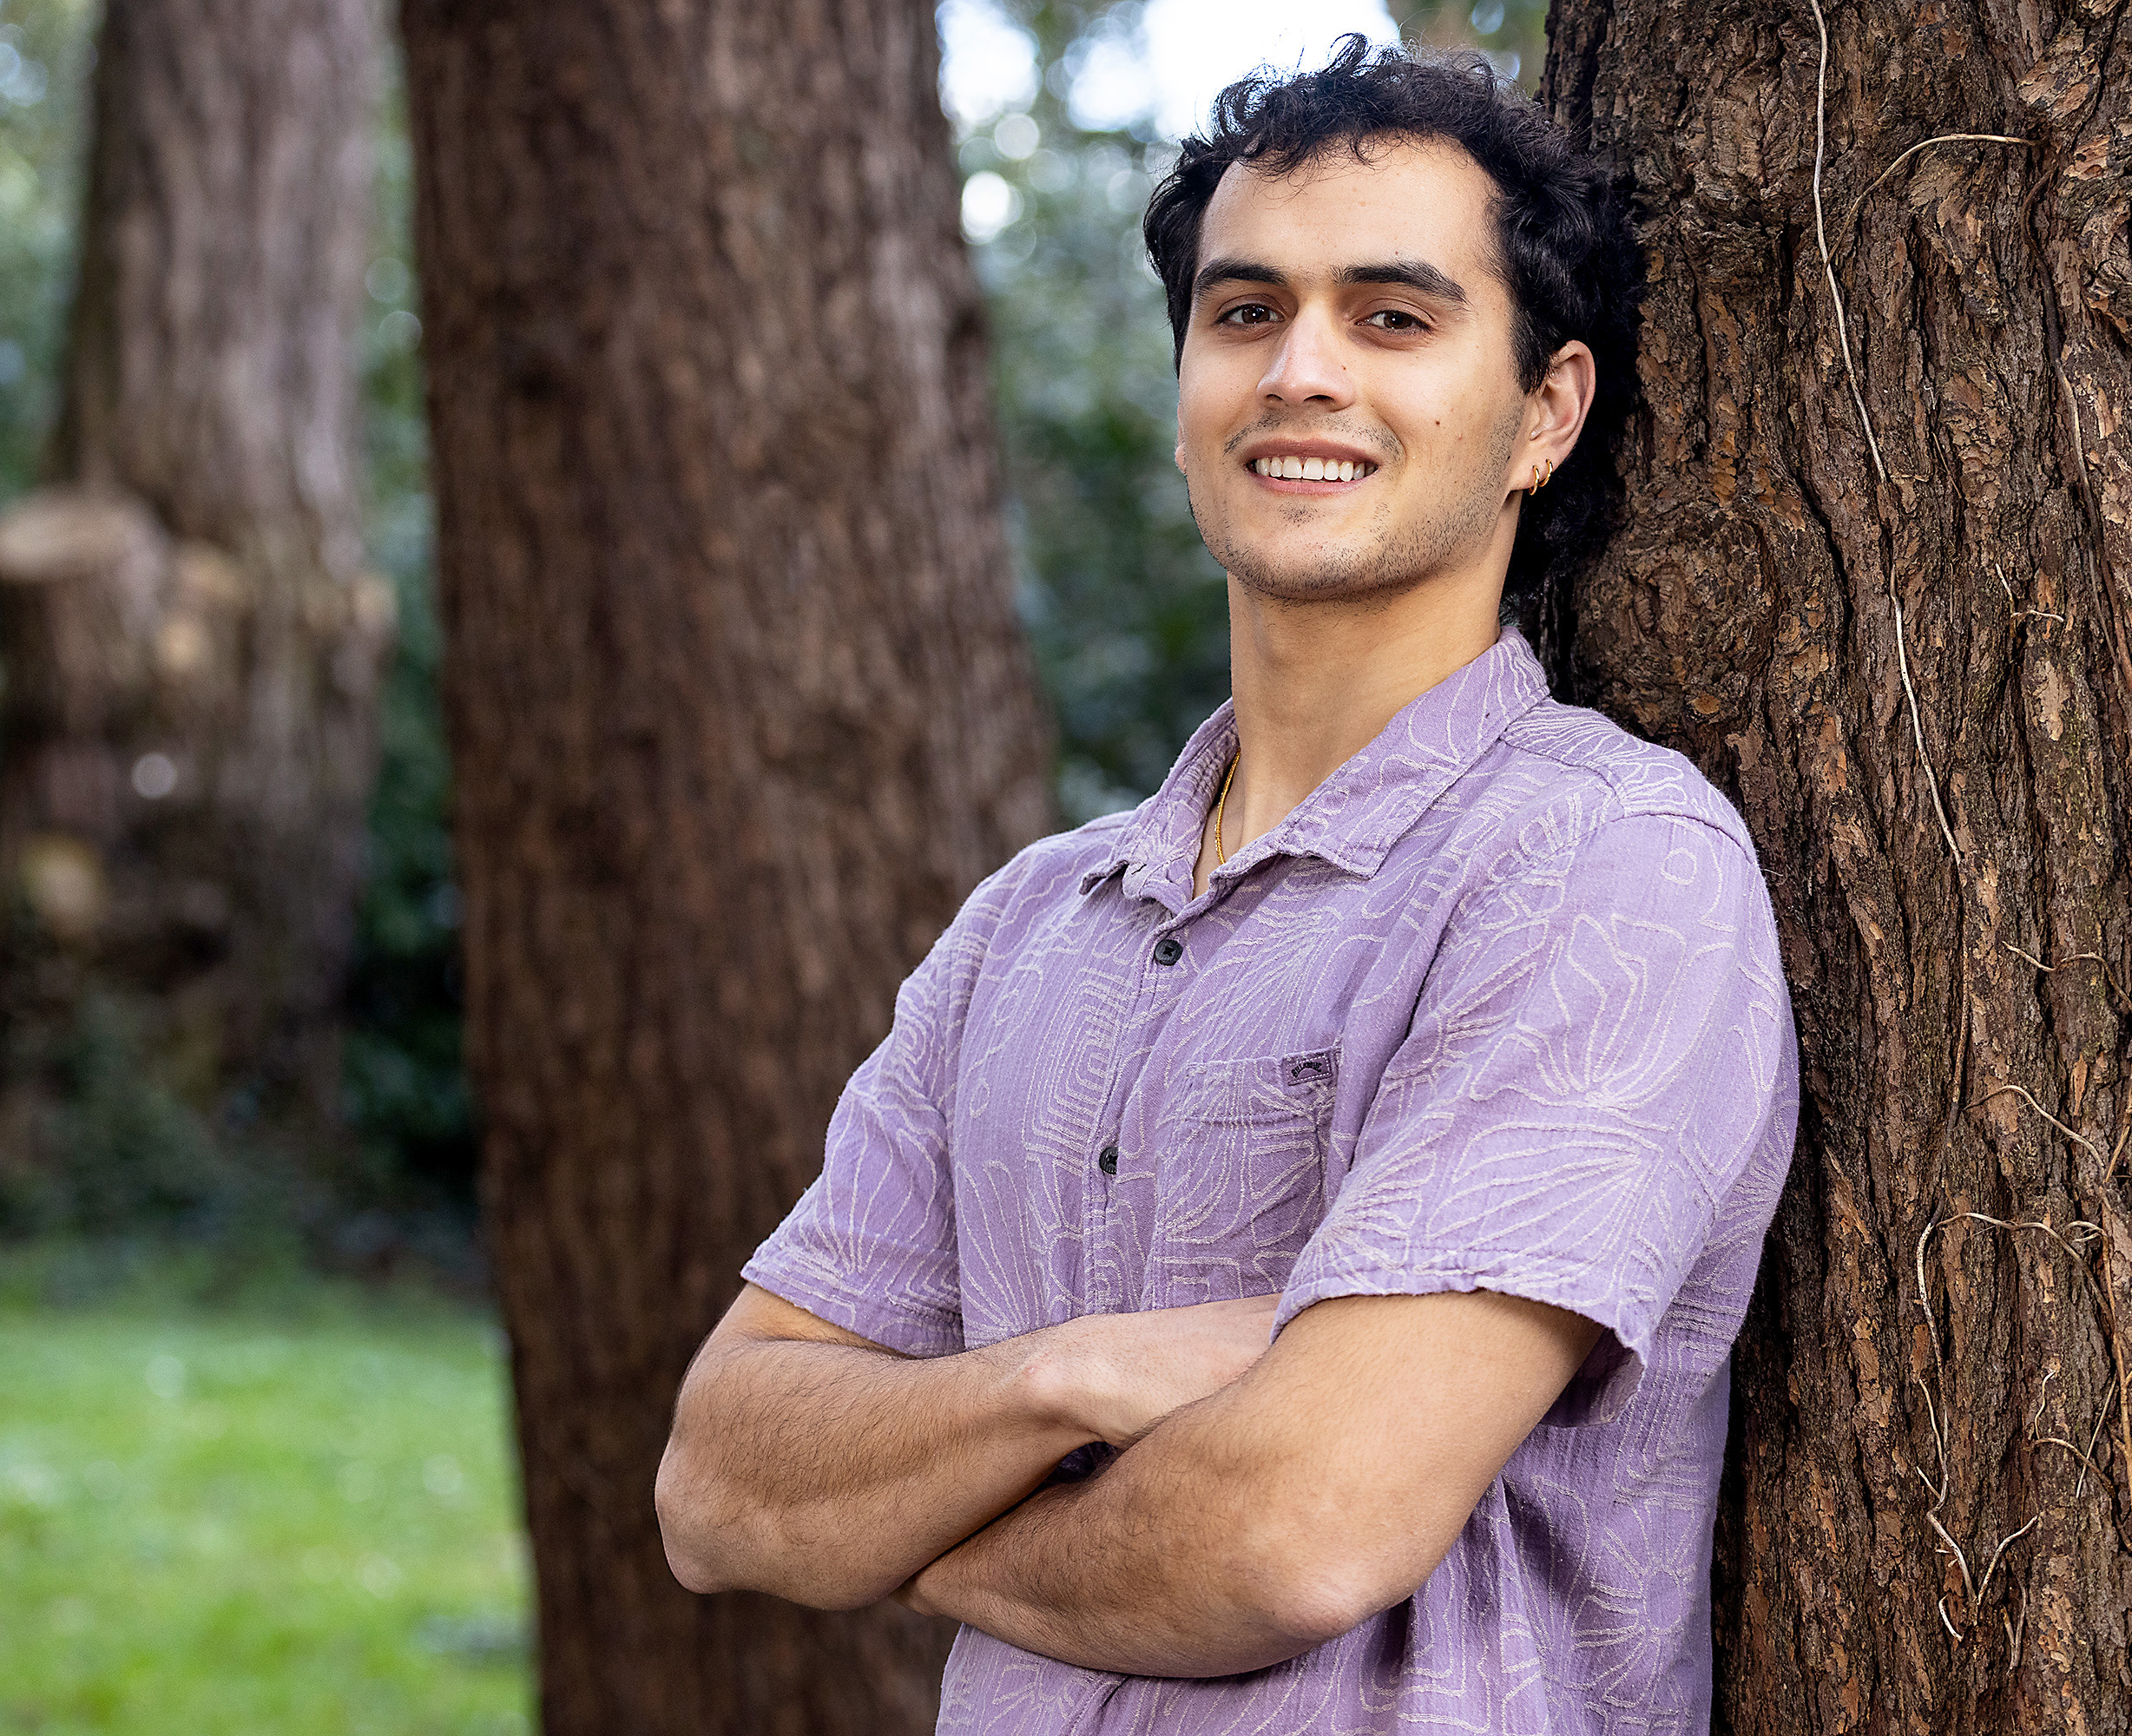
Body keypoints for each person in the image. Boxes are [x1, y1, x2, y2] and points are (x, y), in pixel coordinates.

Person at [655, 36, 1798, 1734]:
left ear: (1543, 413)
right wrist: (1069, 1374)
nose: (1301, 370)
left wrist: (903, 1526)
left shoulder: (1605, 873)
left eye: (1393, 318)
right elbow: (719, 1482)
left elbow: (1291, 1530)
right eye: (1245, 312)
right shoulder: (1027, 926)